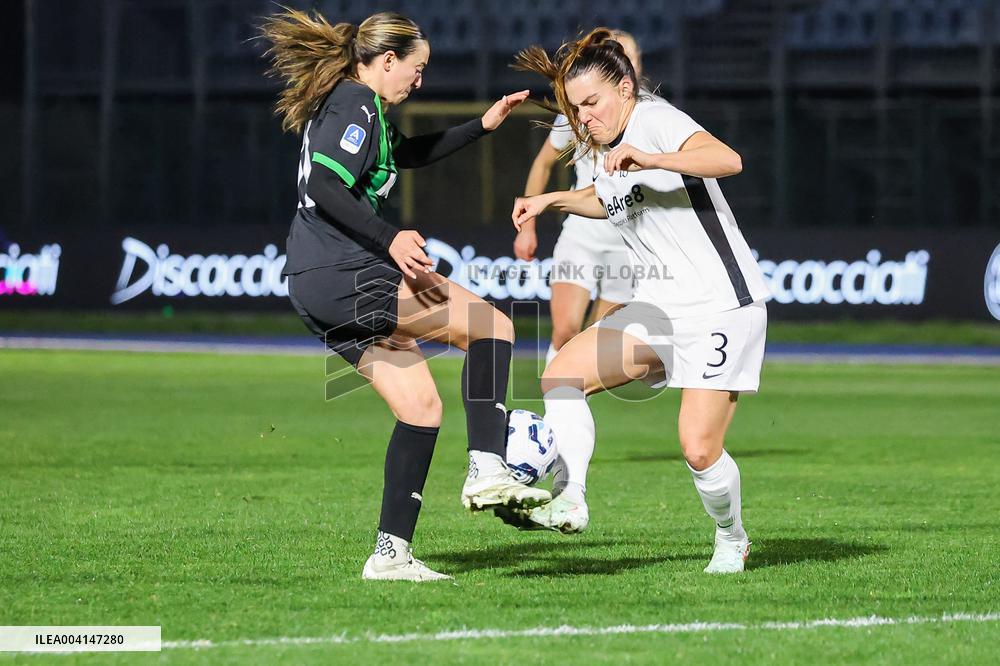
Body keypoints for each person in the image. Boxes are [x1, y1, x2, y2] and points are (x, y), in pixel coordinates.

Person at [261, 9, 550, 582]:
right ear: (386, 60)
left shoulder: (364, 111)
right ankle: (489, 467)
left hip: (314, 282)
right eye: (416, 69)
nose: (419, 81)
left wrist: (482, 126)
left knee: (421, 408)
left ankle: (390, 555)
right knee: (493, 327)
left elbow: (406, 155)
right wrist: (389, 237)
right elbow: (324, 185)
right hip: (343, 269)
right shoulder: (354, 101)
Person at [507, 29, 770, 574]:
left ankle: (731, 536)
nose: (584, 118)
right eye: (575, 109)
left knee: (698, 449)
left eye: (592, 103)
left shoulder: (654, 119)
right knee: (561, 374)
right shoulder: (606, 141)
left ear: (625, 87)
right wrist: (552, 198)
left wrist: (651, 157)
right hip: (659, 309)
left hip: (721, 303)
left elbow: (728, 159)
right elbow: (609, 200)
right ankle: (572, 493)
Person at [513, 31, 643, 370]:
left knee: (597, 346)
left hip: (628, 246)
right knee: (566, 331)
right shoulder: (580, 114)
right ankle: (555, 412)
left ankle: (567, 411)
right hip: (582, 237)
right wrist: (527, 227)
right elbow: (543, 163)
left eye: (629, 57)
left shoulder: (655, 117)